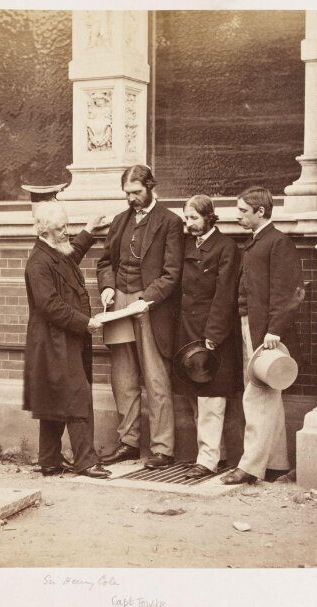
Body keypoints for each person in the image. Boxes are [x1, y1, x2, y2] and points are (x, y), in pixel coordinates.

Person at [96, 165, 184, 469]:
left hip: (151, 306)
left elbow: (172, 273)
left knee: (156, 377)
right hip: (120, 301)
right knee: (123, 377)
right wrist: (107, 287)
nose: (132, 198)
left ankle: (163, 448)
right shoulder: (120, 221)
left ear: (150, 187)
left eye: (136, 192)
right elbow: (105, 261)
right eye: (127, 193)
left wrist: (147, 299)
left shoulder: (171, 222)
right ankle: (129, 442)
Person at [221, 186, 304, 485]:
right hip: (253, 326)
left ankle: (250, 466)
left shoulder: (278, 243)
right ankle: (278, 464)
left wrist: (275, 330)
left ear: (261, 211)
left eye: (243, 211)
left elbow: (291, 293)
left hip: (267, 334)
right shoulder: (258, 242)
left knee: (257, 396)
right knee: (268, 395)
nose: (238, 216)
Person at [23, 202, 111, 479]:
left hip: (60, 340)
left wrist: (89, 229)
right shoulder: (38, 262)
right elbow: (50, 306)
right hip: (53, 342)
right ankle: (86, 462)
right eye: (61, 228)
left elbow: (71, 255)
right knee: (77, 395)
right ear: (45, 230)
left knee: (54, 397)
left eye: (67, 226)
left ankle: (49, 461)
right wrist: (85, 322)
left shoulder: (53, 252)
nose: (66, 232)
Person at [172, 195, 243, 479]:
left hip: (213, 333)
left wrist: (213, 334)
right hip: (187, 331)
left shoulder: (226, 248)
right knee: (195, 395)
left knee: (212, 397)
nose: (189, 224)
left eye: (194, 219)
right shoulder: (188, 244)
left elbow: (225, 295)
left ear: (209, 217)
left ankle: (208, 460)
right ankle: (216, 454)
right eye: (187, 218)